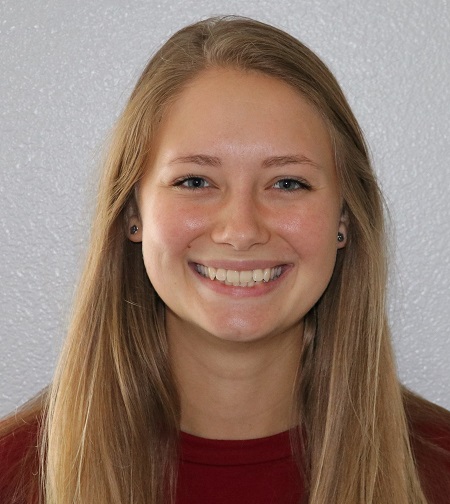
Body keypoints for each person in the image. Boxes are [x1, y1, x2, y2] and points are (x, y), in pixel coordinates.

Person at [0, 15, 449, 504]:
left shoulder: (439, 469)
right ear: (133, 213)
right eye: (195, 181)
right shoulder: (12, 474)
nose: (241, 231)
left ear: (344, 217)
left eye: (288, 183)